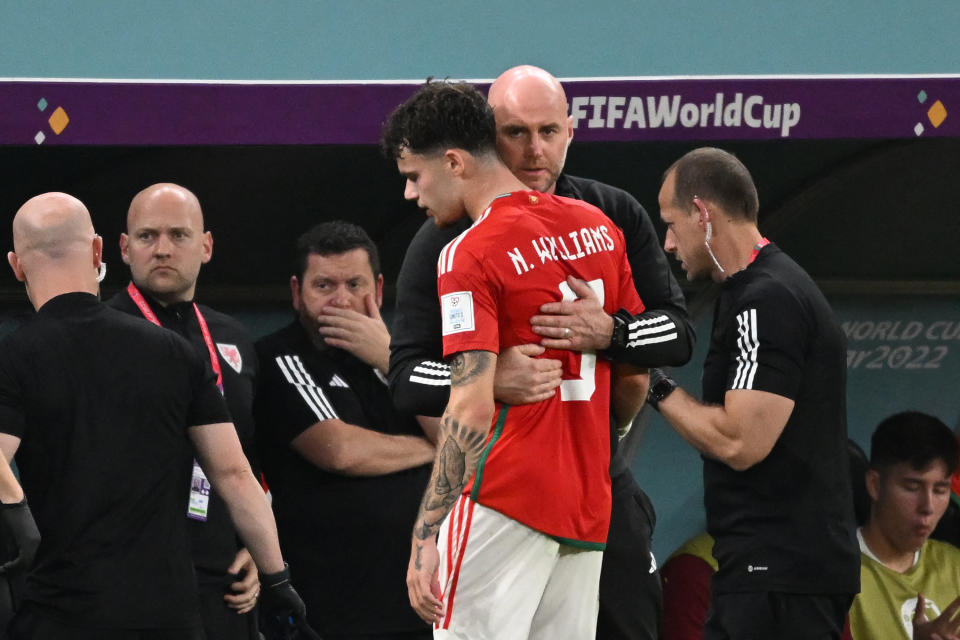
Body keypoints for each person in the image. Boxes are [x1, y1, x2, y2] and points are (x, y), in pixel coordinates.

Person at [387, 64, 694, 640]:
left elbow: (471, 408)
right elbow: (631, 379)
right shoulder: (598, 227)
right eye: (516, 132)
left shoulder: (466, 249)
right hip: (584, 494)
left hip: (506, 491)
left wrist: (427, 531)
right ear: (491, 135)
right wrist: (496, 377)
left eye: (413, 176)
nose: (533, 150)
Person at [0, 192, 309, 639]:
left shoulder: (14, 357)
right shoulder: (175, 352)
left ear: (16, 265)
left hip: (60, 612)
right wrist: (277, 577)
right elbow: (235, 474)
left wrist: (22, 527)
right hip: (167, 615)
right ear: (99, 251)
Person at [647, 148, 860, 639]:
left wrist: (652, 385)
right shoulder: (751, 292)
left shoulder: (767, 298)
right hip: (774, 571)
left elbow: (740, 443)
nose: (668, 243)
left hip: (780, 575)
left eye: (672, 222)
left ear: (703, 214)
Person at [254, 221, 435, 638]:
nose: (342, 300)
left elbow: (463, 436)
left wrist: (392, 360)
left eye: (355, 284)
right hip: (331, 605)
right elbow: (339, 449)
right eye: (324, 286)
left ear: (380, 288)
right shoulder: (279, 358)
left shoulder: (404, 361)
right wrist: (434, 450)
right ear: (297, 292)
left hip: (415, 600)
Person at [106, 183, 261, 640]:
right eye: (147, 236)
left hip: (224, 579)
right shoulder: (99, 336)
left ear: (206, 246)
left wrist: (256, 543)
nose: (162, 250)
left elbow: (251, 451)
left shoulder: (234, 338)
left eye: (179, 235)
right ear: (123, 248)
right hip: (132, 579)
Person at [845, 411, 960, 640]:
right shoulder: (837, 574)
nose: (927, 506)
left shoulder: (955, 566)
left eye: (940, 490)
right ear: (875, 485)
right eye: (912, 487)